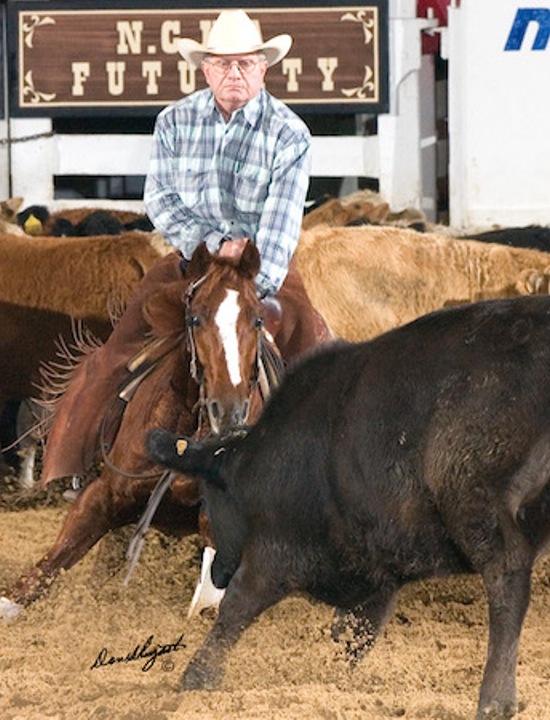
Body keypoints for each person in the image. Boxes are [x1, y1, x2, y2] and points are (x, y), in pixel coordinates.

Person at [39, 9, 332, 492]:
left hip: (261, 268)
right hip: (190, 263)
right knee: (119, 348)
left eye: (244, 64)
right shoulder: (175, 121)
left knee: (313, 348)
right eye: (222, 64)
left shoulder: (289, 133)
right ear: (206, 70)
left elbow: (281, 225)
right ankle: (72, 460)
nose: (233, 73)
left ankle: (318, 479)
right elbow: (161, 201)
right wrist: (214, 244)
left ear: (263, 67)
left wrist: (250, 282)